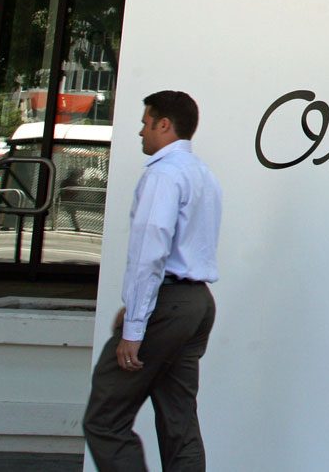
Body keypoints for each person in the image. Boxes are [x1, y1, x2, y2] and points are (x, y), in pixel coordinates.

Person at [83, 91, 223, 471]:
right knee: (178, 418)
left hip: (168, 304)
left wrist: (135, 324)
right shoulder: (202, 174)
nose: (140, 131)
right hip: (196, 303)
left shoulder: (163, 175)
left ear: (165, 124)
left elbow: (151, 251)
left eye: (146, 122)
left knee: (104, 417)